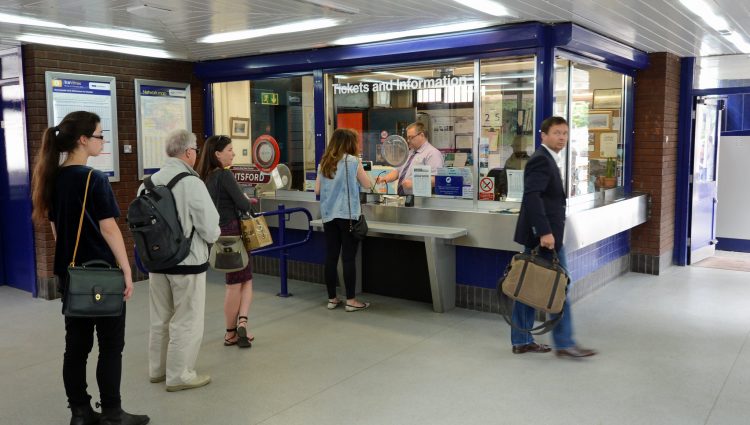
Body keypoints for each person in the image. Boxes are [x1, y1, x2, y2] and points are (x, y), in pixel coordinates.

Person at [31, 111, 149, 425]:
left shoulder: (52, 178)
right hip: (103, 276)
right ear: (83, 140)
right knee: (111, 346)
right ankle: (112, 412)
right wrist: (127, 270)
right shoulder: (93, 178)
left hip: (72, 276)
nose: (103, 141)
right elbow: (110, 230)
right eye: (99, 135)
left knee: (77, 347)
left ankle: (80, 413)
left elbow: (57, 233)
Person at [511, 116, 597, 359]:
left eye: (565, 133)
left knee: (527, 286)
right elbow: (532, 197)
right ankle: (565, 343)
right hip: (544, 237)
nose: (562, 137)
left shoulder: (549, 158)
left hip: (542, 235)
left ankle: (522, 340)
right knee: (561, 287)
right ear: (543, 135)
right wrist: (546, 232)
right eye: (557, 133)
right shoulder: (541, 160)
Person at [140, 130, 220, 391]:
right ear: (188, 153)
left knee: (160, 316)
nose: (196, 153)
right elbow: (209, 227)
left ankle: (158, 369)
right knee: (187, 318)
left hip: (156, 261)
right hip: (188, 262)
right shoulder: (191, 182)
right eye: (195, 149)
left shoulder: (147, 183)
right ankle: (180, 374)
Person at [196, 135, 255, 348]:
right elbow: (242, 203)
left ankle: (236, 327)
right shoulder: (224, 175)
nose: (233, 153)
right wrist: (247, 201)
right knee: (240, 281)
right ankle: (238, 326)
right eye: (230, 149)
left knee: (236, 280)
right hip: (234, 232)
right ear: (217, 154)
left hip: (218, 233)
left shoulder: (205, 177)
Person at [315, 128, 372, 311]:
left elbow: (317, 190)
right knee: (348, 258)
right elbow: (368, 185)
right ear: (349, 143)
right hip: (347, 216)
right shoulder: (353, 161)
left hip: (328, 216)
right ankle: (351, 300)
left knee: (331, 257)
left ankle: (332, 299)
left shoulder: (324, 162)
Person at [375, 122, 444, 195]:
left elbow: (436, 179)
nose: (408, 140)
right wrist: (385, 178)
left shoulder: (432, 153)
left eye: (411, 137)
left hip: (421, 200)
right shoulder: (410, 152)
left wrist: (414, 183)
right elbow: (398, 171)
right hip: (404, 198)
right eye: (407, 137)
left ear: (421, 135)